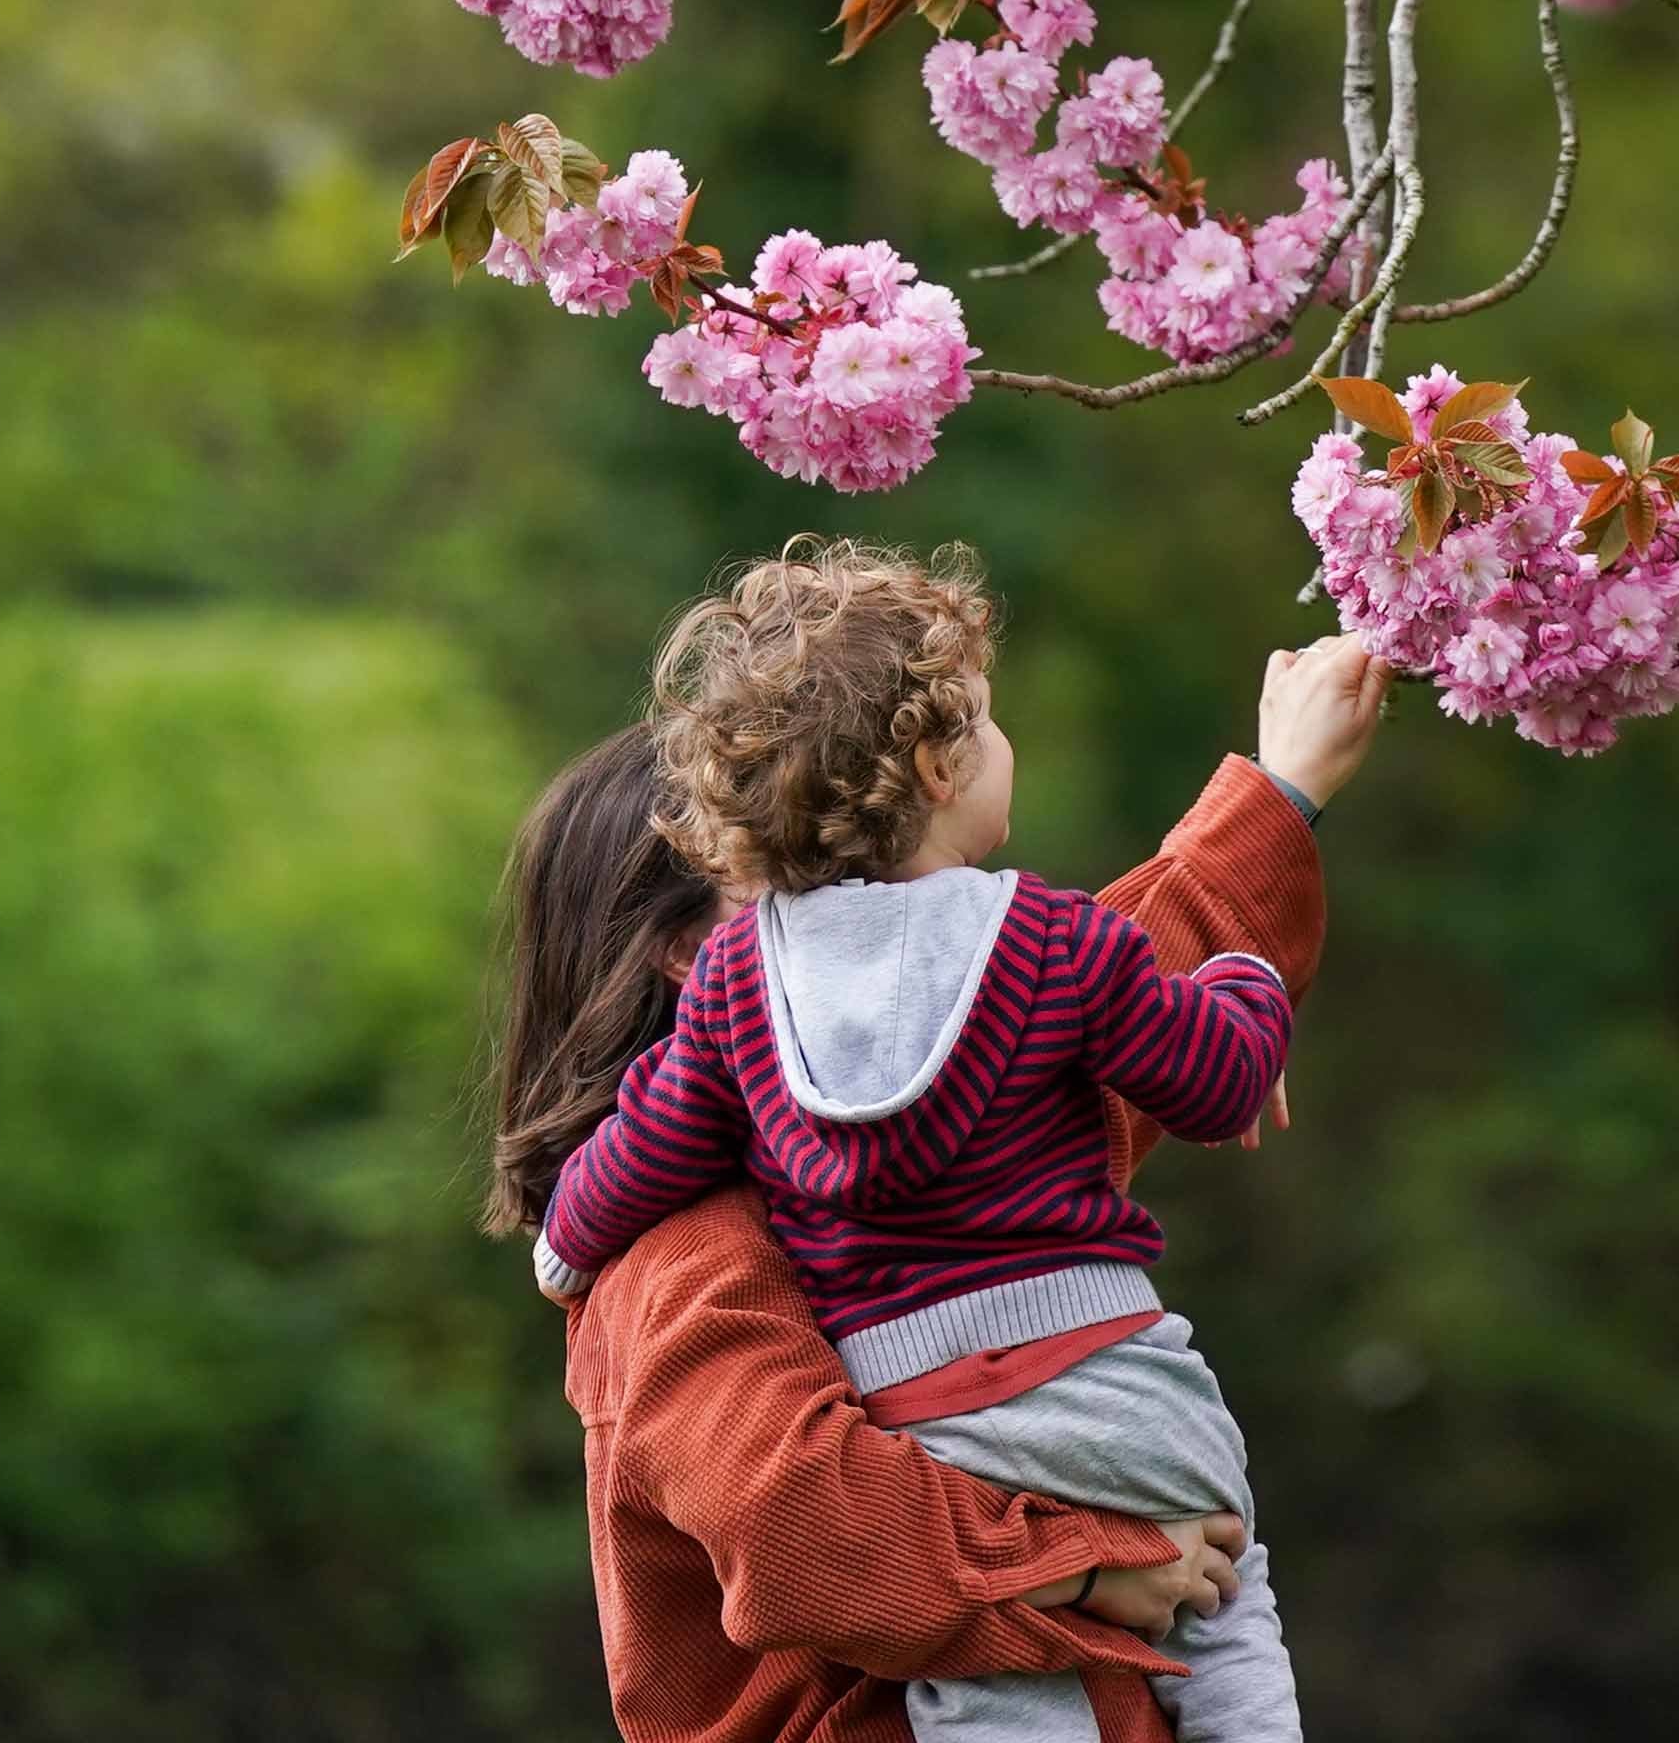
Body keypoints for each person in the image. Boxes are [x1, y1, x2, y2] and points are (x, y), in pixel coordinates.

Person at [476, 592, 1369, 1743]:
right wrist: (1095, 1567)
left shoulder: (889, 1095)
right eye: (791, 862)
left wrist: (1276, 808)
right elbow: (799, 1526)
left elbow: (1107, 975)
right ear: (696, 950)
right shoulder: (676, 1258)